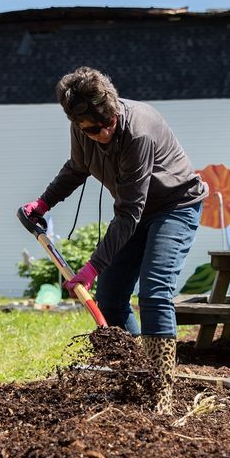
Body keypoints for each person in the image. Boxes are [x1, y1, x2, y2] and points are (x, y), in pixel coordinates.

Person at [21, 67, 208, 414]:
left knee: (154, 293)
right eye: (92, 129)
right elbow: (78, 167)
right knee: (110, 298)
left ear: (113, 108)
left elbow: (128, 214)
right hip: (135, 211)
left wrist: (91, 268)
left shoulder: (138, 131)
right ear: (78, 123)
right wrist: (44, 202)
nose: (103, 132)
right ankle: (137, 375)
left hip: (175, 206)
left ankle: (159, 395)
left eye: (108, 123)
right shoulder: (82, 130)